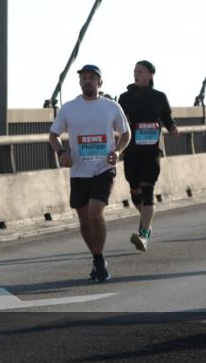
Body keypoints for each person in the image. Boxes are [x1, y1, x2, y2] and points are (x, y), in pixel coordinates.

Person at [49, 64, 131, 282]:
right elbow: (53, 135)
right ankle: (97, 258)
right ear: (80, 82)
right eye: (84, 78)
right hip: (79, 171)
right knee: (84, 219)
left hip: (104, 167)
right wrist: (61, 153)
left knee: (95, 213)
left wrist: (117, 151)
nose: (87, 81)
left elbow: (126, 134)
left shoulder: (111, 106)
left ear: (99, 82)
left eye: (91, 78)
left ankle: (99, 258)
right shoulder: (69, 108)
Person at [117, 60, 179, 252]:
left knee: (147, 190)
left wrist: (173, 128)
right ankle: (147, 222)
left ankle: (143, 234)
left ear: (151, 75)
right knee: (134, 191)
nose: (136, 74)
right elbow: (118, 121)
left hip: (152, 151)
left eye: (141, 71)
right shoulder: (125, 98)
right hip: (132, 150)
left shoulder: (159, 97)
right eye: (135, 71)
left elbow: (167, 117)